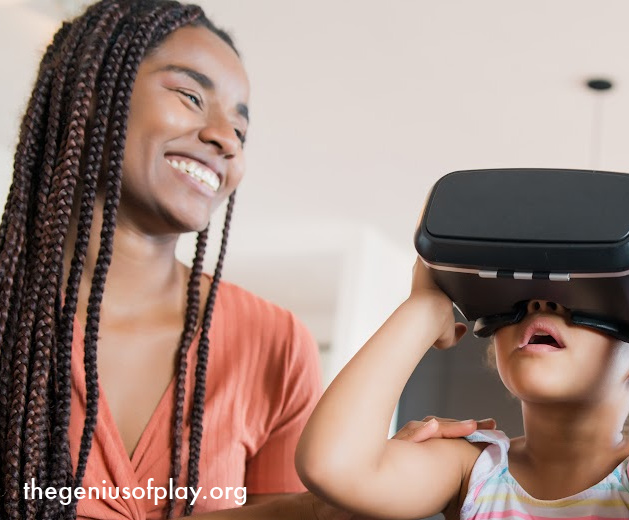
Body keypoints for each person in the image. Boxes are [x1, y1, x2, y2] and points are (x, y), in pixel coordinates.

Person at [0, 2, 485, 519]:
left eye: (241, 130)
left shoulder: (272, 341)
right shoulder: (13, 308)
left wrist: (340, 496)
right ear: (91, 93)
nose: (225, 139)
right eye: (190, 97)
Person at [296, 225, 629, 520]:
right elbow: (333, 468)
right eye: (518, 295)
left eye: (588, 296)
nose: (540, 302)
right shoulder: (472, 472)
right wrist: (424, 309)